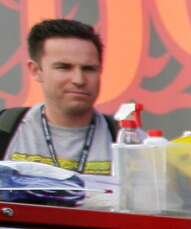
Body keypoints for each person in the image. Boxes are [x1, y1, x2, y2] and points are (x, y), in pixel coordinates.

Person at [4, 19, 114, 176]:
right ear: (36, 70)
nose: (79, 79)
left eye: (89, 69)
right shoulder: (5, 130)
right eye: (64, 67)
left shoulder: (132, 144)